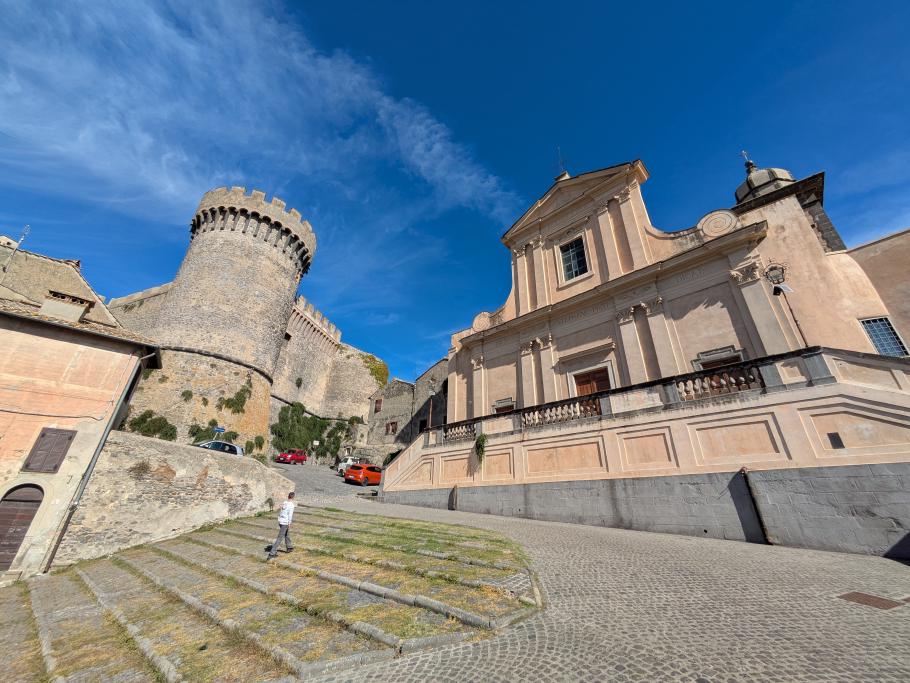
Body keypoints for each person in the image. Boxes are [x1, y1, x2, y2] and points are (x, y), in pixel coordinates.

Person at [268, 491, 295, 559]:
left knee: (287, 534)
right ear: (293, 497)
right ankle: (272, 553)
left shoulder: (285, 503)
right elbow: (290, 515)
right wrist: (289, 523)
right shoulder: (291, 505)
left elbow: (281, 511)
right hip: (285, 522)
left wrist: (279, 519)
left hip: (281, 521)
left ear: (288, 496)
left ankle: (289, 547)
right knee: (280, 538)